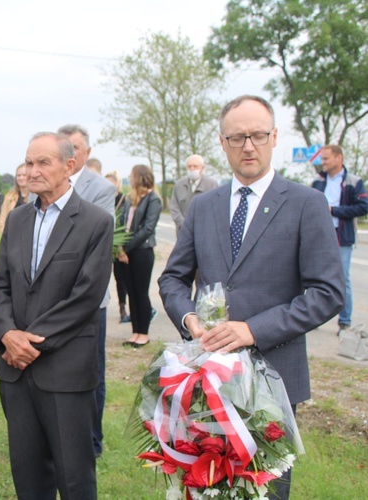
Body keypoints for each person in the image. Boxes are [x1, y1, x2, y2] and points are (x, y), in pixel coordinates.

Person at [158, 95, 346, 500]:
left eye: (258, 135)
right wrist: (190, 321)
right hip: (205, 380)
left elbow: (328, 293)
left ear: (274, 137)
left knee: (265, 492)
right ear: (222, 143)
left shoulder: (306, 204)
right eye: (238, 136)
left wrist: (252, 330)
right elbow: (172, 279)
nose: (248, 145)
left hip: (273, 382)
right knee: (206, 490)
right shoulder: (203, 206)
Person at [0, 132, 113, 500]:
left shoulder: (95, 222)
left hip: (65, 371)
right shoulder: (18, 220)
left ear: (69, 166)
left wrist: (29, 342)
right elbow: (0, 286)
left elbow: (85, 298)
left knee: (74, 476)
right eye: (29, 162)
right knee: (27, 472)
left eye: (43, 162)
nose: (33, 170)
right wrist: (8, 334)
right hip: (15, 367)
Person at [57, 124, 115, 458]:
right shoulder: (47, 182)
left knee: (91, 369)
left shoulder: (100, 188)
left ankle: (92, 438)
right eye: (64, 147)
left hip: (90, 298)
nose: (70, 154)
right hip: (50, 299)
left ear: (87, 152)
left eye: (76, 148)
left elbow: (90, 241)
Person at [311, 144, 368, 334]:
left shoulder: (353, 181)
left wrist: (334, 211)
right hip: (320, 235)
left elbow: (362, 207)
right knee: (314, 277)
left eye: (326, 159)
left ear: (338, 158)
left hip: (342, 235)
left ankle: (344, 321)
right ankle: (312, 318)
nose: (323, 163)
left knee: (342, 279)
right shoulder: (318, 181)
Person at [117, 165, 161, 348]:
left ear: (140, 177)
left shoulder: (153, 199)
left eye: (132, 175)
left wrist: (127, 247)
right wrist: (119, 248)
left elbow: (147, 228)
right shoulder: (129, 198)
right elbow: (120, 222)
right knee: (131, 293)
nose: (129, 178)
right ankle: (135, 332)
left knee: (141, 293)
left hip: (142, 252)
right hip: (125, 253)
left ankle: (144, 333)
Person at [169, 154, 218, 235]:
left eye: (195, 166)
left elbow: (215, 208)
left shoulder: (211, 184)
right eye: (189, 166)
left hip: (204, 232)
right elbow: (174, 207)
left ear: (202, 168)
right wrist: (184, 224)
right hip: (183, 232)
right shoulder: (179, 185)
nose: (192, 169)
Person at [105, 171, 129, 323]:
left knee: (121, 278)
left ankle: (123, 308)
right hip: (106, 243)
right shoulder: (103, 199)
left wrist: (120, 249)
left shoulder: (123, 200)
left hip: (120, 244)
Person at [0, 163, 28, 234]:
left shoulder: (36, 197)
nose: (21, 178)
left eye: (24, 175)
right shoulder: (9, 197)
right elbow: (2, 219)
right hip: (12, 237)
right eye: (18, 175)